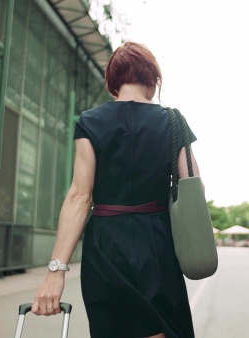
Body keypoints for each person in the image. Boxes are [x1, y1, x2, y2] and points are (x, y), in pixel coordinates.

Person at [31, 41, 201, 338]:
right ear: (153, 79)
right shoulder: (173, 122)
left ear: (113, 84)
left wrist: (55, 272)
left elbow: (80, 196)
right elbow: (192, 187)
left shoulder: (90, 122)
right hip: (157, 246)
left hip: (105, 248)